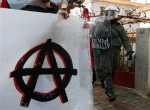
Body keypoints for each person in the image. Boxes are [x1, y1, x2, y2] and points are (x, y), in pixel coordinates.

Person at [89, 5, 133, 102]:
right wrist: (104, 29)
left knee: (113, 69)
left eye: (113, 14)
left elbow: (125, 39)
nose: (111, 16)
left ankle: (106, 83)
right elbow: (93, 33)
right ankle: (110, 92)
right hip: (104, 50)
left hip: (115, 51)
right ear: (106, 14)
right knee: (107, 69)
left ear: (116, 15)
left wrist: (129, 50)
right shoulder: (101, 24)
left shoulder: (119, 26)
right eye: (109, 14)